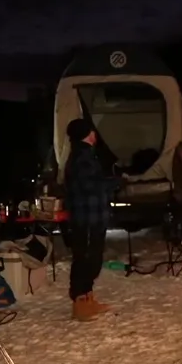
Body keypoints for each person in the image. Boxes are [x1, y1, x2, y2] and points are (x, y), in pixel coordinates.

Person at [63, 118, 117, 321]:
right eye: (92, 131)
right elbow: (91, 185)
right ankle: (80, 303)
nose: (95, 134)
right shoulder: (81, 157)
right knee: (85, 259)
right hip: (86, 217)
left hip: (92, 216)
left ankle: (88, 298)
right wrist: (114, 183)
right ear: (87, 134)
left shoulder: (86, 154)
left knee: (92, 258)